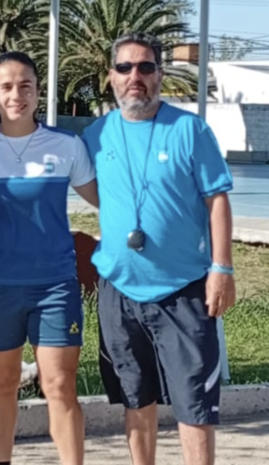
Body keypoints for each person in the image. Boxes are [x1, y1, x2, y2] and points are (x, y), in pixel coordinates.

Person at [82, 32, 236, 465]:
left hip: (183, 289)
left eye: (146, 67)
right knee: (136, 398)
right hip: (119, 290)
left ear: (160, 76)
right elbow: (94, 192)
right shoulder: (95, 135)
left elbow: (217, 199)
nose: (136, 76)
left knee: (195, 404)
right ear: (111, 77)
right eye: (126, 68)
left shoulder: (190, 129)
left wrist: (222, 268)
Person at [0, 51, 99, 465]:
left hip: (54, 285)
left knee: (60, 385)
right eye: (6, 87)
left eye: (25, 86)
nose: (16, 95)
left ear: (37, 91)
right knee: (2, 384)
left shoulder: (67, 145)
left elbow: (103, 199)